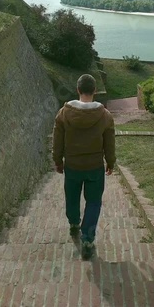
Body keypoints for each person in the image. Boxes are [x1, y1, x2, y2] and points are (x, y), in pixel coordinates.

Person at [52, 74, 116, 259]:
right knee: (94, 202)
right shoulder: (105, 116)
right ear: (95, 90)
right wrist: (110, 162)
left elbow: (58, 140)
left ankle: (73, 223)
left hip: (72, 166)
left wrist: (58, 161)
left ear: (78, 90)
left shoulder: (64, 114)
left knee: (71, 197)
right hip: (94, 167)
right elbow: (109, 143)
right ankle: (87, 239)